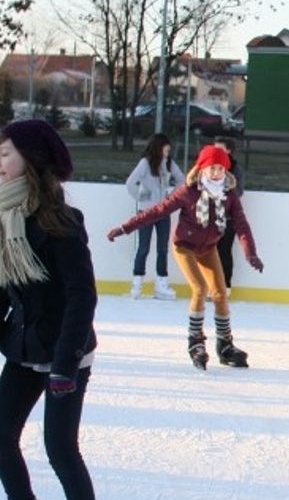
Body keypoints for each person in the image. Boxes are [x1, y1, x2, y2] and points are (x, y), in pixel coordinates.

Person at [0, 119, 125, 500]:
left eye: (5, 154)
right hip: (24, 349)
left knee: (59, 447)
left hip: (65, 353)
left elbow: (82, 297)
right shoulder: (1, 221)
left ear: (31, 162)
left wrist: (64, 363)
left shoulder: (61, 224)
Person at [107, 145, 264, 369]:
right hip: (184, 246)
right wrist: (125, 228)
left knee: (220, 293)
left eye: (220, 168)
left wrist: (251, 253)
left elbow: (241, 225)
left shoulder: (228, 196)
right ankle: (196, 341)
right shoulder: (188, 191)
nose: (216, 173)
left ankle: (225, 344)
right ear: (202, 168)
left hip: (209, 247)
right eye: (212, 168)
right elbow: (157, 211)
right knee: (200, 288)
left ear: (226, 171)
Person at [124, 133, 183, 300]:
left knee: (163, 249)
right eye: (166, 146)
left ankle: (161, 285)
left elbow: (182, 180)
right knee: (143, 248)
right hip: (146, 213)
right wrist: (142, 196)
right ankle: (137, 283)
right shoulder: (145, 163)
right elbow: (130, 183)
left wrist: (171, 196)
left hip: (163, 212)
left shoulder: (169, 163)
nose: (168, 149)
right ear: (159, 146)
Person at [213, 136, 243, 297]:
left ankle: (225, 286)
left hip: (228, 218)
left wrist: (225, 191)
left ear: (229, 151)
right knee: (209, 252)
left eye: (220, 148)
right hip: (209, 217)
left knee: (224, 251)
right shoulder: (208, 166)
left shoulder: (236, 168)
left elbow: (239, 191)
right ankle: (211, 285)